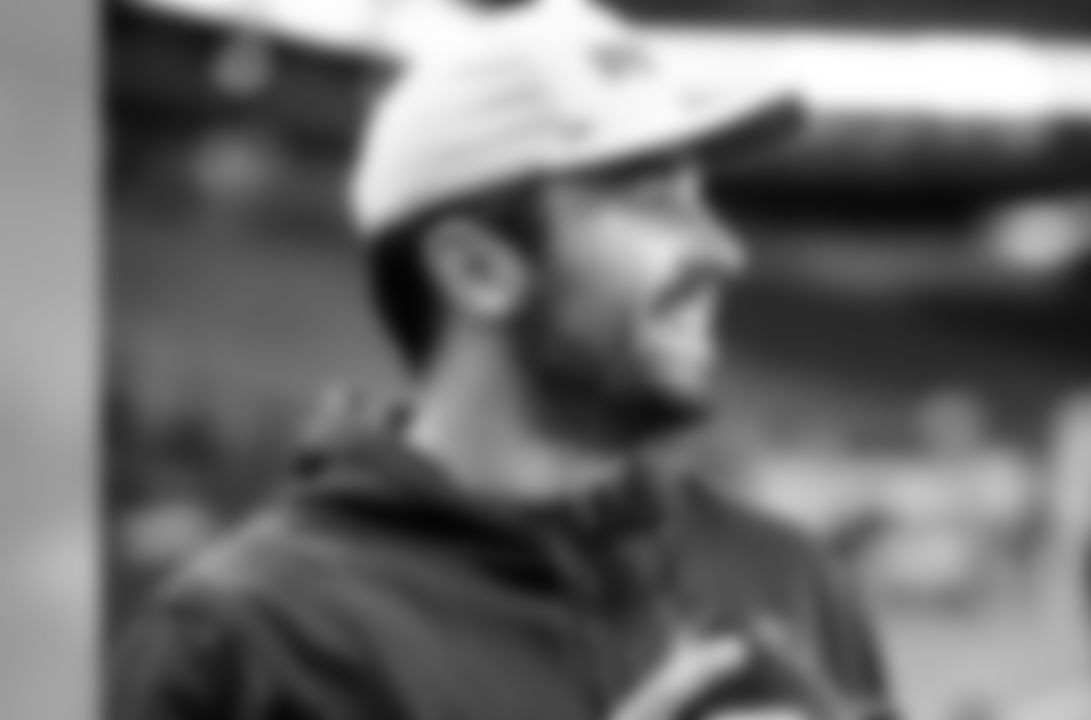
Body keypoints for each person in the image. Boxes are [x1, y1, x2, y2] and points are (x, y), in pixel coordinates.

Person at [110, 2, 894, 719]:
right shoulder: (246, 645)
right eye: (657, 203)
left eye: (703, 201)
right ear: (477, 270)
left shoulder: (793, 582)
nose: (724, 251)